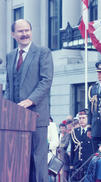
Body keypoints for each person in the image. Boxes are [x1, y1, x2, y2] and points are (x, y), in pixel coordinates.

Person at [4, 19, 54, 182]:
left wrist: (30, 100)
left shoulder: (42, 52)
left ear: (31, 32)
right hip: (15, 120)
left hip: (36, 116)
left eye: (27, 30)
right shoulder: (10, 56)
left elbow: (46, 81)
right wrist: (5, 108)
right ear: (13, 34)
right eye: (20, 31)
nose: (24, 34)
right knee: (18, 161)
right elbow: (10, 85)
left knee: (37, 160)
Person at [70, 110, 93, 181]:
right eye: (80, 118)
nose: (81, 120)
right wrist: (71, 164)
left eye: (83, 118)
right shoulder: (74, 132)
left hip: (88, 162)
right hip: (77, 163)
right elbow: (72, 149)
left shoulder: (92, 131)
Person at [47, 117, 59, 182]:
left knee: (49, 178)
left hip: (48, 159)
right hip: (37, 157)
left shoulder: (52, 126)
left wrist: (46, 145)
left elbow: (56, 143)